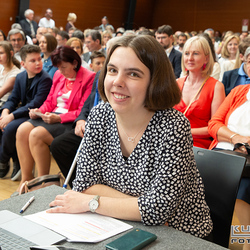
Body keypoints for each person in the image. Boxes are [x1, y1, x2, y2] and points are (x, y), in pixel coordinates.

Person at [48, 35, 212, 239]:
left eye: (133, 74)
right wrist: (140, 206)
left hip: (178, 235)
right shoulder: (100, 114)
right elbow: (84, 184)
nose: (117, 82)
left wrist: (92, 202)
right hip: (117, 224)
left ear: (155, 81)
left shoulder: (174, 126)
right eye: (112, 70)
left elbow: (158, 210)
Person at [15, 46, 95, 193]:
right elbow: (51, 100)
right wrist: (40, 111)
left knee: (36, 134)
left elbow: (83, 110)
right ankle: (26, 179)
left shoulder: (89, 77)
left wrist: (59, 117)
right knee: (22, 130)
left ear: (75, 63)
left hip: (69, 120)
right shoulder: (58, 74)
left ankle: (43, 182)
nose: (61, 71)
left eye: (64, 67)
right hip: (52, 115)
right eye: (59, 67)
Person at [0, 44, 52, 180]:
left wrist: (11, 116)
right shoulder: (21, 76)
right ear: (23, 64)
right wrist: (6, 111)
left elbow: (35, 104)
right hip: (22, 112)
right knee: (2, 120)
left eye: (39, 59)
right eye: (32, 61)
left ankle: (3, 159)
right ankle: (16, 158)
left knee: (10, 127)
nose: (37, 63)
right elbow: (13, 98)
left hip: (35, 115)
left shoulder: (45, 79)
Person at [208, 84, 250, 250]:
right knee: (209, 180)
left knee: (241, 189)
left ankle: (244, 242)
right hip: (224, 152)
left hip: (247, 162)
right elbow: (214, 124)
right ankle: (216, 238)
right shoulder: (239, 91)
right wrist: (235, 138)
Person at [174, 36, 225, 149]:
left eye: (195, 54)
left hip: (198, 146)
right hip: (173, 141)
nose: (190, 58)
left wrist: (183, 131)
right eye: (186, 53)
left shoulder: (216, 87)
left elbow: (215, 127)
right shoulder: (176, 83)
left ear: (206, 58)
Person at [0, 41, 21, 108]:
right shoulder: (1, 67)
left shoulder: (16, 73)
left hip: (6, 105)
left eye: (1, 53)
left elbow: (1, 93)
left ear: (11, 53)